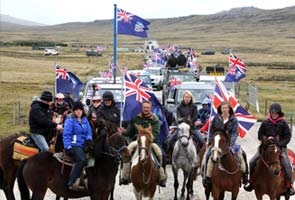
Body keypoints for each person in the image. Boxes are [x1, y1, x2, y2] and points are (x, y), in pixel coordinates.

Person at [244, 103, 295, 195]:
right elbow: (260, 134)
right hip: (266, 148)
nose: (274, 114)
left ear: (279, 113)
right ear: (270, 113)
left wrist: (279, 144)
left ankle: (289, 185)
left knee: (287, 164)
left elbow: (288, 136)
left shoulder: (283, 123)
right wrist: (265, 140)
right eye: (272, 113)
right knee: (252, 161)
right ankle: (251, 182)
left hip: (280, 148)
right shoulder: (265, 122)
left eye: (276, 113)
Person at [120, 100, 167, 187]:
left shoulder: (155, 119)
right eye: (144, 107)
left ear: (150, 108)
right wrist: (123, 132)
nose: (146, 109)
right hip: (137, 141)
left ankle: (162, 177)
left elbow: (156, 134)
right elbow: (129, 131)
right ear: (142, 108)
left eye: (148, 108)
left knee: (161, 154)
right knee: (127, 150)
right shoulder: (136, 118)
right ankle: (125, 176)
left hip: (150, 142)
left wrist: (146, 137)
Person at [203, 101, 249, 187]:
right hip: (217, 143)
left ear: (229, 109)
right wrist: (209, 141)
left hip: (230, 144)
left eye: (226, 108)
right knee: (208, 156)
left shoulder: (234, 120)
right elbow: (211, 132)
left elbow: (235, 133)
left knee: (242, 155)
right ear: (220, 109)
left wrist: (230, 142)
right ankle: (207, 177)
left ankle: (245, 175)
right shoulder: (216, 119)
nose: (224, 110)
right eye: (222, 108)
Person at [63, 101, 93, 191]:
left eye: (80, 110)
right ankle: (71, 182)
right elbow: (66, 135)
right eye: (76, 110)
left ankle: (89, 180)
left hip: (84, 144)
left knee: (94, 157)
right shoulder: (70, 120)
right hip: (74, 145)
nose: (79, 112)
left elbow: (89, 132)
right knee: (81, 159)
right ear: (73, 111)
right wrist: (67, 146)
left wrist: (89, 139)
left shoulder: (85, 120)